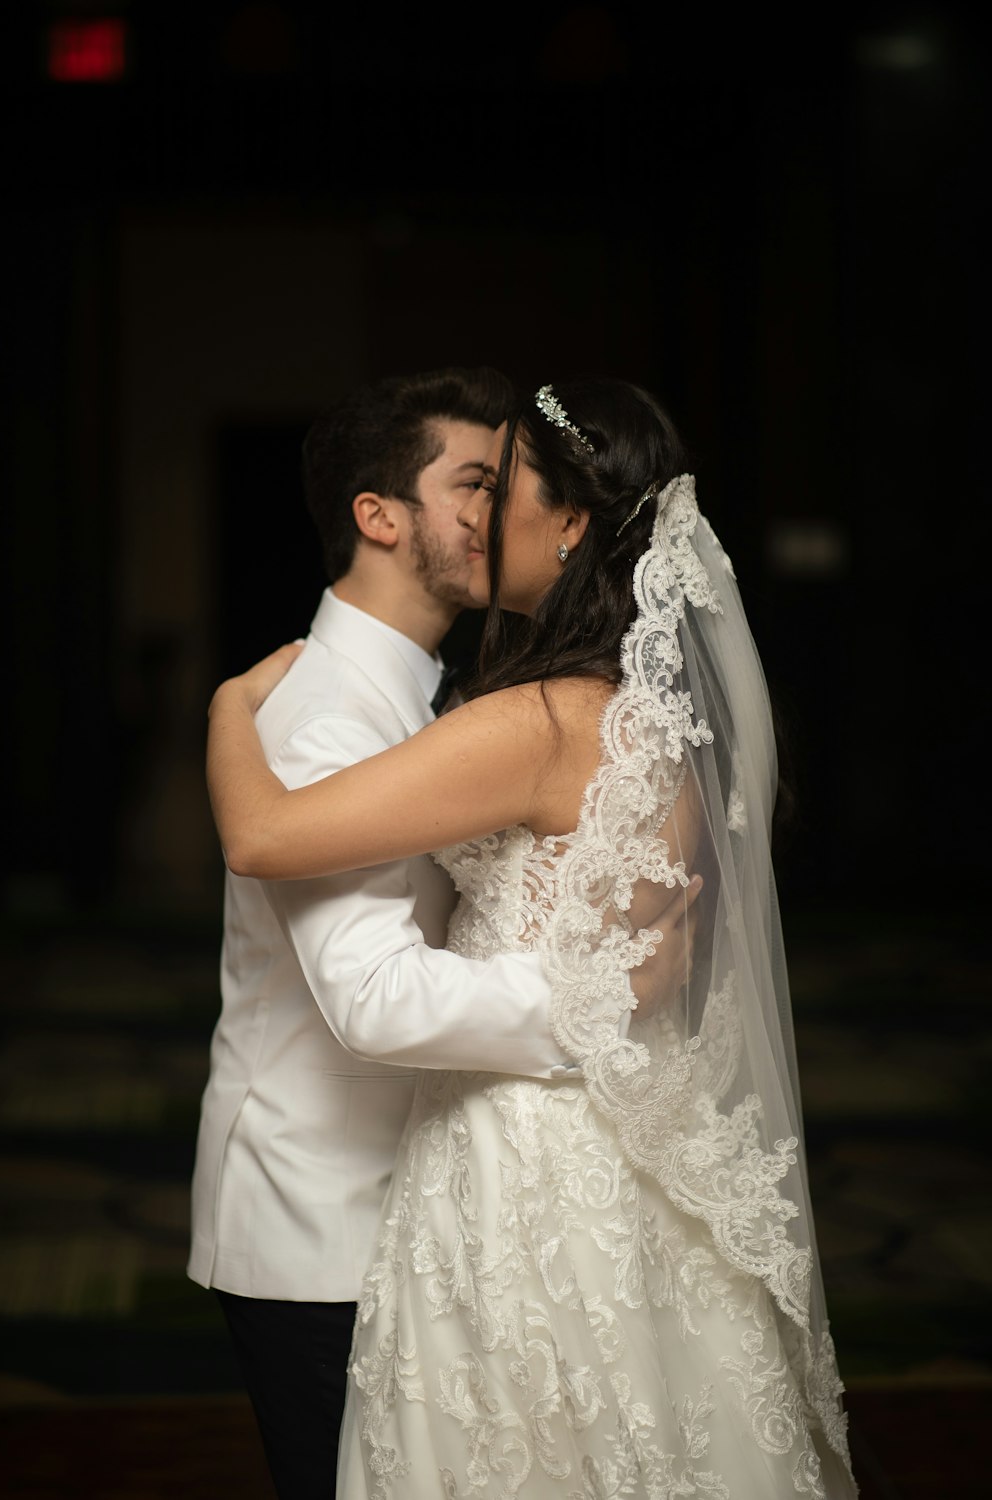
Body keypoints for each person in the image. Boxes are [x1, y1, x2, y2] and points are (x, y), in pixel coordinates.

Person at [207, 379, 856, 1498]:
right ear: (380, 515)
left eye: (495, 488)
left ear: (568, 523)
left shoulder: (534, 714)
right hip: (493, 1163)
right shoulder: (611, 712)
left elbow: (262, 835)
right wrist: (605, 1003)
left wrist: (221, 709)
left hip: (526, 1159)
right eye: (470, 483)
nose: (476, 515)